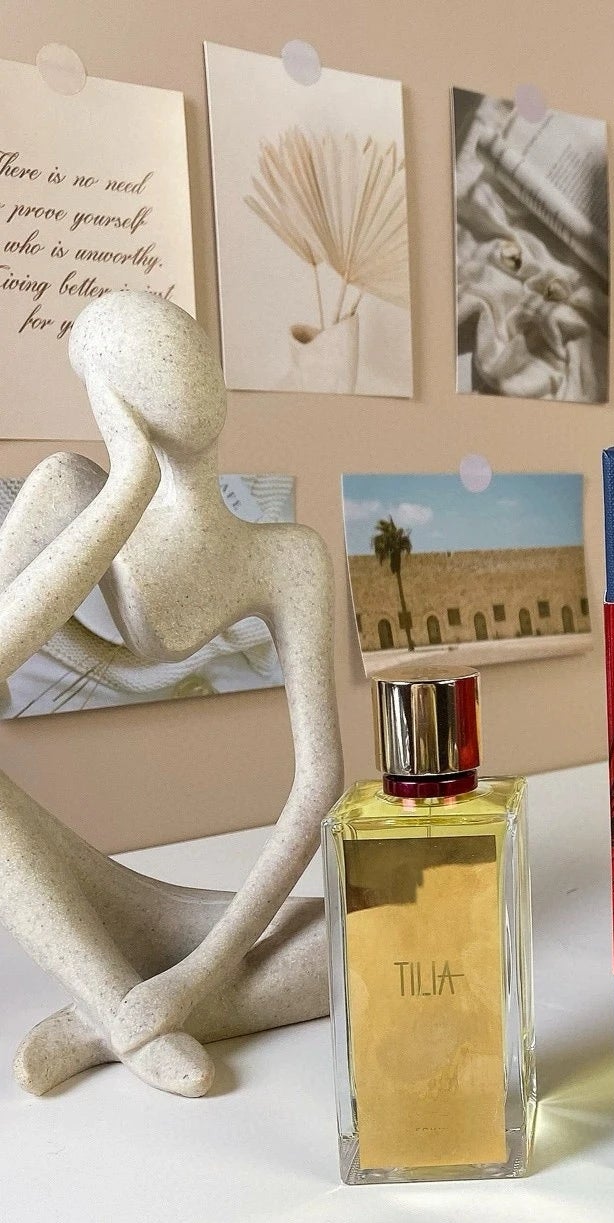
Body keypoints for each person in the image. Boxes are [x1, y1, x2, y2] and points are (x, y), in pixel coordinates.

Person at [0, 292, 343, 1097]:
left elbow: (319, 782)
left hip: (173, 925)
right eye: (154, 358)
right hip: (45, 865)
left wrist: (193, 977)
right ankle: (120, 1004)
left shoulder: (286, 555)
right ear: (111, 397)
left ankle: (106, 1017)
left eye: (191, 353)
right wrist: (127, 483)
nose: (188, 377)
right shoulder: (71, 492)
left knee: (368, 942)